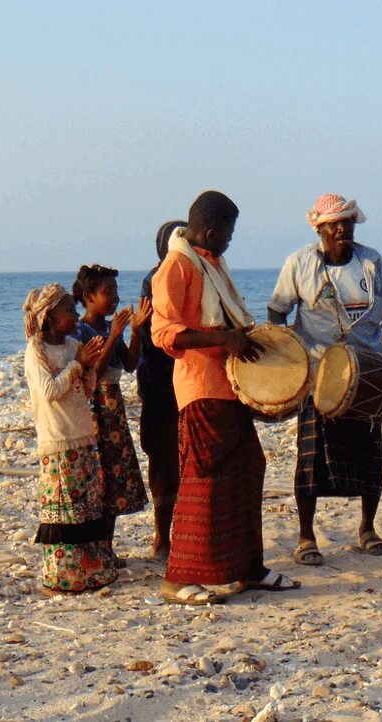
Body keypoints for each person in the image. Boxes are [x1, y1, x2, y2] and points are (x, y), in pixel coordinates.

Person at [151, 190, 299, 604]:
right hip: (200, 388)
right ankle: (179, 577)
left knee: (248, 470)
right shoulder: (177, 266)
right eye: (229, 233)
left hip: (229, 386)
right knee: (204, 479)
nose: (231, 240)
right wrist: (223, 338)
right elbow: (163, 332)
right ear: (212, 230)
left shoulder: (211, 263)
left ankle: (246, 568)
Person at [268, 193, 382, 567]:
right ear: (319, 228)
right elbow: (276, 312)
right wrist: (288, 359)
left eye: (348, 222)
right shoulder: (299, 263)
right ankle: (306, 536)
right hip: (319, 373)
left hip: (368, 369)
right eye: (334, 224)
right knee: (311, 459)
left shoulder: (371, 262)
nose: (342, 230)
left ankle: (367, 528)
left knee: (370, 455)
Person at [22, 283, 118, 594]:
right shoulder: (36, 350)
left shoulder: (73, 345)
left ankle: (92, 571)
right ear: (49, 316)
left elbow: (88, 389)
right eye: (67, 310)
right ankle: (65, 575)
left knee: (87, 505)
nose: (74, 315)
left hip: (82, 434)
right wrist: (78, 365)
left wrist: (87, 366)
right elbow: (49, 391)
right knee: (64, 506)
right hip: (58, 439)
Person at [72, 264, 152, 567]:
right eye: (108, 292)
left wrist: (135, 332)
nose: (115, 298)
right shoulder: (82, 330)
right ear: (89, 297)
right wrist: (115, 335)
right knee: (99, 477)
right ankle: (97, 548)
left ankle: (107, 546)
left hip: (113, 408)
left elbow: (130, 364)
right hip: (95, 408)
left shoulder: (108, 327)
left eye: (116, 292)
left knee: (115, 477)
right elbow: (92, 372)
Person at [138, 221, 187, 561]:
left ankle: (183, 537)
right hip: (160, 389)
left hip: (189, 383)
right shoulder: (155, 282)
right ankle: (161, 537)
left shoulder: (200, 274)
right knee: (163, 464)